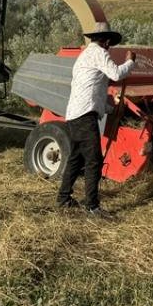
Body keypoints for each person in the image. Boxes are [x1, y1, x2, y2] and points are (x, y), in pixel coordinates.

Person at [59, 21, 136, 217]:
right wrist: (131, 61)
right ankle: (92, 207)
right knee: (94, 160)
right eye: (109, 42)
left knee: (76, 159)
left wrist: (111, 108)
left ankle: (63, 198)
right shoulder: (99, 53)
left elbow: (93, 90)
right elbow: (117, 74)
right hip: (85, 115)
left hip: (75, 114)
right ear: (106, 41)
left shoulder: (85, 55)